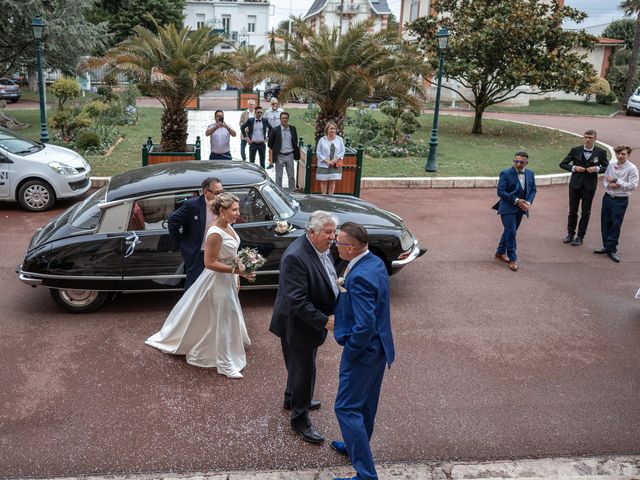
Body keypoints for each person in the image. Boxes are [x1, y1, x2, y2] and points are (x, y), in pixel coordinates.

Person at [146, 193, 254, 379]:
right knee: (222, 319)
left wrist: (238, 272)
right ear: (222, 211)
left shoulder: (228, 226)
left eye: (237, 209)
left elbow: (230, 254)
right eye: (234, 210)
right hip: (217, 281)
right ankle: (225, 364)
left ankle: (227, 348)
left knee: (225, 316)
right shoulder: (214, 233)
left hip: (227, 279)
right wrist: (238, 272)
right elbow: (209, 262)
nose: (238, 213)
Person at [330, 222, 395, 480]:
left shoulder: (359, 277)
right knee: (366, 404)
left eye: (339, 243)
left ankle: (366, 475)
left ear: (351, 247)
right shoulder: (374, 262)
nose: (336, 246)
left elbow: (364, 324)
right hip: (380, 349)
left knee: (345, 408)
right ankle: (355, 443)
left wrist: (352, 350)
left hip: (364, 352)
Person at [269, 211, 338, 444]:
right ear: (312, 232)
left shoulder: (319, 247)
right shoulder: (296, 257)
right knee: (304, 371)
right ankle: (300, 419)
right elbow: (297, 300)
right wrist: (324, 321)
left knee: (299, 367)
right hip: (298, 325)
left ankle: (292, 398)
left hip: (306, 323)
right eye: (328, 232)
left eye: (333, 232)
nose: (333, 237)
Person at [168, 177, 224, 290]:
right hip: (198, 254)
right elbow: (172, 221)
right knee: (195, 287)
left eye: (222, 192)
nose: (220, 196)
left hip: (218, 253)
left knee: (216, 286)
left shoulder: (224, 204)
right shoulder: (192, 205)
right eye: (217, 193)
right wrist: (180, 243)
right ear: (206, 192)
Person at [559, 130, 609, 246]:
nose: (588, 139)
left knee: (586, 212)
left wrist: (596, 169)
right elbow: (563, 164)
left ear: (595, 139)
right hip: (575, 185)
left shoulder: (601, 152)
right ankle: (570, 234)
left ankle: (580, 236)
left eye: (591, 138)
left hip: (589, 186)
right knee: (572, 210)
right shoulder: (575, 150)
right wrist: (574, 168)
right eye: (586, 137)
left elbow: (606, 167)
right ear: (583, 138)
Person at [593, 145, 638, 263]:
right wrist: (609, 185)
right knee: (605, 222)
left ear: (628, 155)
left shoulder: (632, 168)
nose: (620, 156)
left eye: (623, 154)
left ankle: (612, 249)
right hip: (607, 197)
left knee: (615, 224)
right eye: (618, 154)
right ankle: (606, 246)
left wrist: (617, 181)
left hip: (620, 200)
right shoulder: (611, 166)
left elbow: (633, 186)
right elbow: (605, 180)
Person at [494, 151, 537, 272]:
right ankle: (513, 259)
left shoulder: (530, 173)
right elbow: (500, 192)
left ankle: (500, 252)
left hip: (521, 209)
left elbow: (533, 190)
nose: (518, 164)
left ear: (526, 163)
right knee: (511, 232)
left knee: (509, 231)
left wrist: (528, 202)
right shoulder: (506, 173)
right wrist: (517, 200)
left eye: (521, 162)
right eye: (516, 161)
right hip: (507, 208)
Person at [268, 111, 300, 191]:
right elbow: (270, 143)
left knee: (291, 176)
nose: (284, 120)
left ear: (288, 119)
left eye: (286, 118)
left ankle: (292, 192)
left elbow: (295, 141)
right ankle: (279, 191)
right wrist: (277, 150)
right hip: (280, 156)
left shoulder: (292, 129)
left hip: (290, 155)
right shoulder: (275, 130)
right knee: (279, 176)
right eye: (283, 118)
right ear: (280, 119)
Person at [316, 121, 345, 195]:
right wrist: (326, 161)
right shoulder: (322, 140)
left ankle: (331, 197)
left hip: (335, 164)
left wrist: (336, 159)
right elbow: (318, 152)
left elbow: (342, 151)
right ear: (327, 130)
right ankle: (324, 197)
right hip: (324, 165)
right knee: (324, 181)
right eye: (331, 128)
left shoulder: (339, 139)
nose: (333, 130)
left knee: (332, 181)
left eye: (334, 128)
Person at [264, 97, 283, 169]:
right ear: (270, 104)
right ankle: (271, 163)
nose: (274, 105)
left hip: (279, 132)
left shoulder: (281, 111)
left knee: (280, 147)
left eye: (276, 103)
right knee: (271, 148)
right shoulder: (267, 112)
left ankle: (279, 162)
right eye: (273, 103)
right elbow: (265, 122)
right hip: (271, 132)